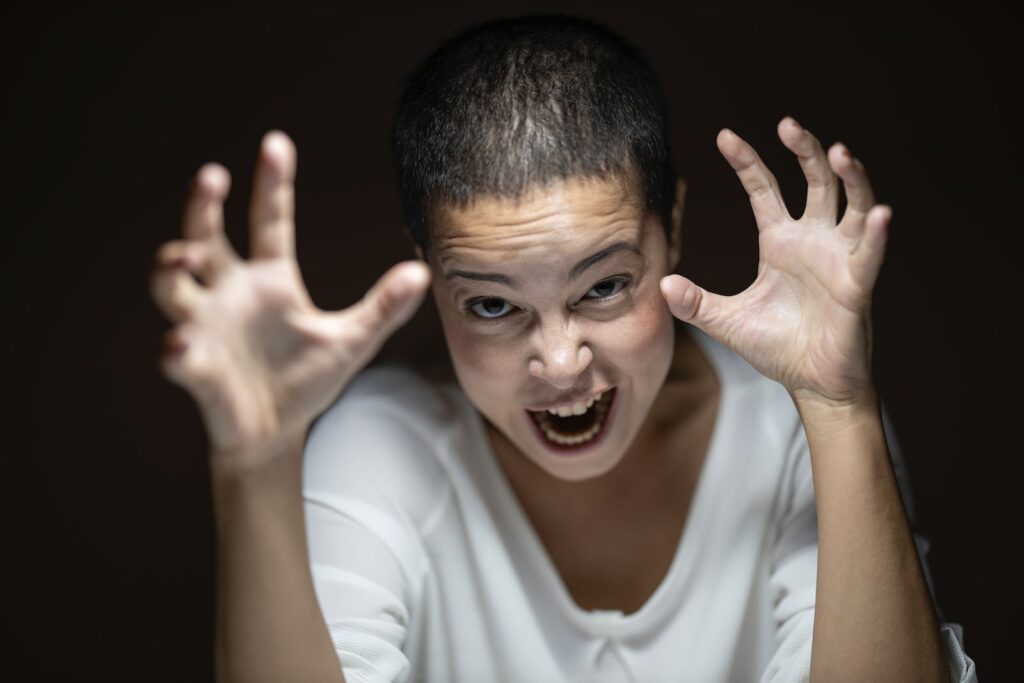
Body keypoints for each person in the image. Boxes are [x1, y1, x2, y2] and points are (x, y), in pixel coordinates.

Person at [150, 14, 977, 683]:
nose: (560, 362)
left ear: (673, 228)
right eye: (490, 303)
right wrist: (256, 463)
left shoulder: (790, 431)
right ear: (429, 275)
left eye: (605, 286)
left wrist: (840, 409)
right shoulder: (377, 449)